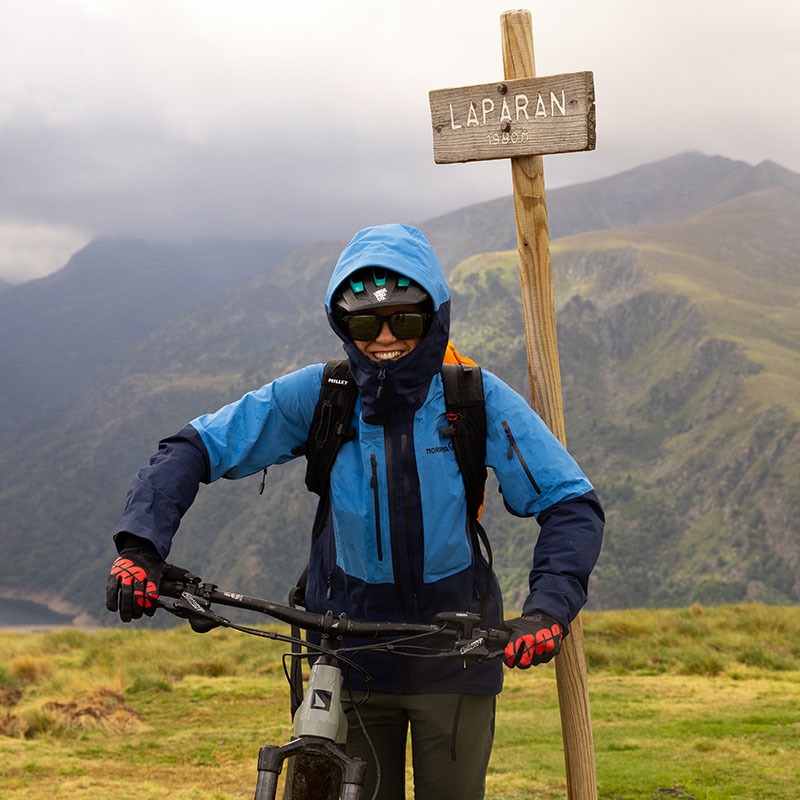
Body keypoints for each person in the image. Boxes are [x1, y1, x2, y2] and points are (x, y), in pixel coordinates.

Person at [106, 223, 604, 800]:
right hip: (345, 656)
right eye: (364, 323)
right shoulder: (324, 394)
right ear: (340, 323)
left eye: (407, 321)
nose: (384, 338)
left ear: (435, 317)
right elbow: (194, 447)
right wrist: (139, 548)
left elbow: (571, 503)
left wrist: (547, 612)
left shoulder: (473, 398)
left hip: (457, 655)